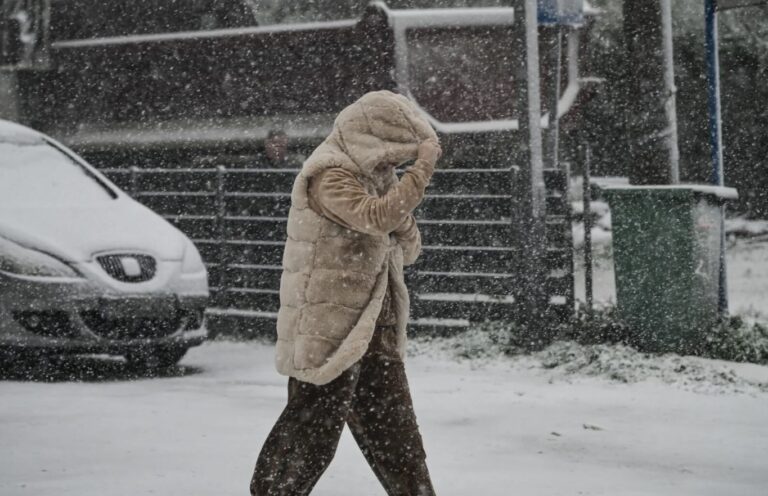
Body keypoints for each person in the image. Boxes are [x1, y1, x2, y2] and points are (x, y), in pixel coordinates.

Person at [250, 90, 441, 496]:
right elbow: (376, 218)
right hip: (330, 331)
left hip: (374, 326)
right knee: (310, 434)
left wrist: (399, 201)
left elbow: (409, 247)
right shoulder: (329, 174)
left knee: (397, 438)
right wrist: (420, 171)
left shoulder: (377, 176)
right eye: (392, 154)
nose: (394, 165)